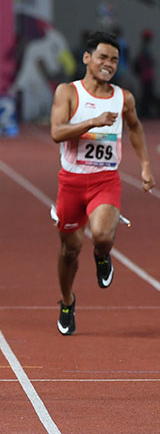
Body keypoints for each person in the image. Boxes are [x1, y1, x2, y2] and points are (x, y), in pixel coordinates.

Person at [50, 31, 154, 336]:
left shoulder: (124, 98)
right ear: (87, 58)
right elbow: (57, 132)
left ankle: (102, 255)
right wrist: (92, 122)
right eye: (103, 57)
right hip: (71, 182)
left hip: (105, 179)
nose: (109, 64)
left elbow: (134, 128)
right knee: (69, 250)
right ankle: (67, 301)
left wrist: (145, 166)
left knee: (101, 235)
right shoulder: (68, 93)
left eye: (115, 59)